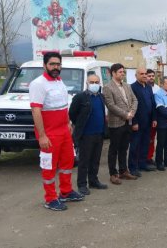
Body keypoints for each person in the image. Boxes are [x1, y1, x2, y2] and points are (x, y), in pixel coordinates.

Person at [29, 52, 83, 211]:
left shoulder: (59, 81)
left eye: (58, 64)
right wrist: (42, 136)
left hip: (64, 131)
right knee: (49, 166)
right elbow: (36, 111)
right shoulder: (38, 84)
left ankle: (66, 192)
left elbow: (62, 105)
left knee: (67, 163)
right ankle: (50, 198)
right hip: (49, 133)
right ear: (44, 65)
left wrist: (68, 123)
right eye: (52, 64)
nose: (56, 67)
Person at [69, 74, 108, 196]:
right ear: (87, 83)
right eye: (92, 82)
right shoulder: (80, 97)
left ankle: (93, 180)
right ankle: (82, 184)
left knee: (95, 160)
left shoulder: (101, 96)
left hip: (99, 133)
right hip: (86, 135)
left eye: (97, 82)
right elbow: (72, 114)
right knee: (84, 161)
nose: (94, 84)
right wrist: (79, 126)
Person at [103, 63, 138, 185]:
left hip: (128, 122)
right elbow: (111, 105)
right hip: (116, 123)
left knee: (124, 148)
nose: (122, 74)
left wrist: (132, 112)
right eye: (120, 72)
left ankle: (124, 171)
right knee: (114, 149)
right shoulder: (108, 87)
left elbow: (134, 100)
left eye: (123, 72)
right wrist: (125, 114)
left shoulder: (127, 86)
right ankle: (113, 174)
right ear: (113, 73)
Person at [128, 68, 158, 177]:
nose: (144, 76)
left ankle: (142, 163)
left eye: (146, 74)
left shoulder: (149, 87)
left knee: (145, 144)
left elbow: (153, 103)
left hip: (148, 121)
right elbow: (131, 106)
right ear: (136, 76)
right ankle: (133, 167)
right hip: (138, 123)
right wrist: (134, 122)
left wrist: (154, 119)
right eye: (142, 74)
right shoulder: (132, 87)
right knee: (135, 145)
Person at [146, 69, 159, 165]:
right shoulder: (143, 87)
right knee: (144, 139)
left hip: (155, 118)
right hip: (145, 118)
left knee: (152, 139)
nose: (151, 77)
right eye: (149, 76)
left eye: (152, 76)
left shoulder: (158, 89)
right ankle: (142, 158)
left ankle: (149, 157)